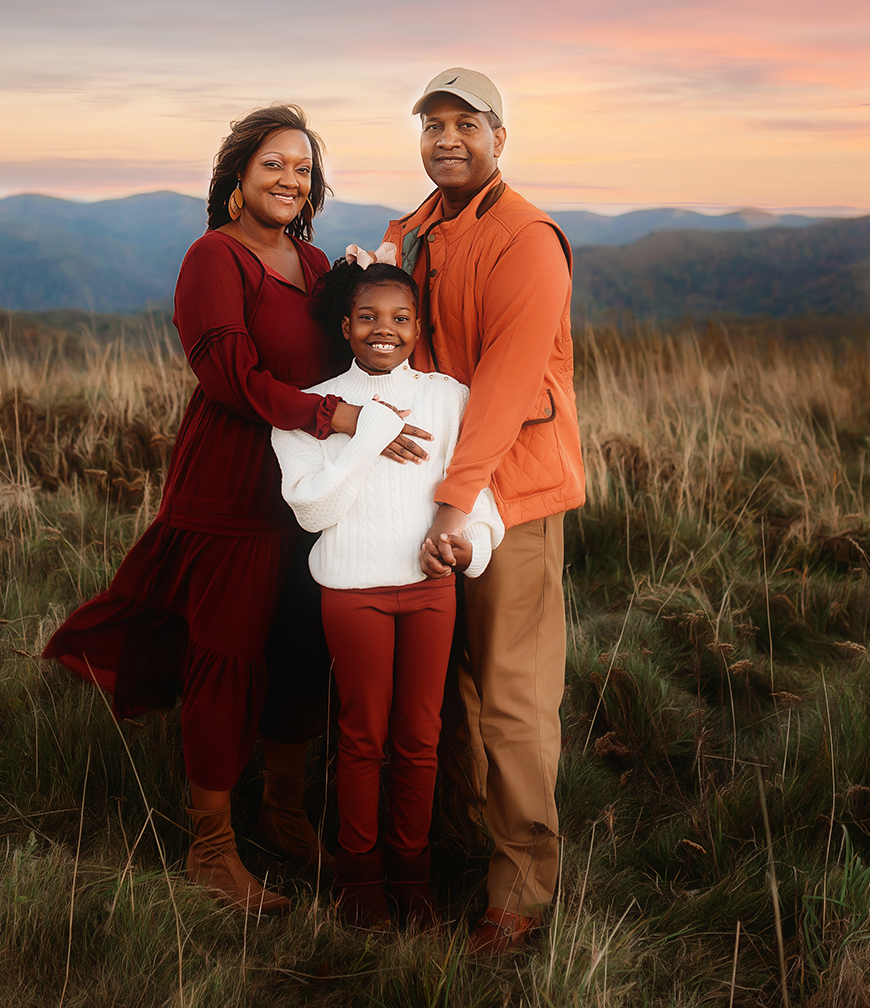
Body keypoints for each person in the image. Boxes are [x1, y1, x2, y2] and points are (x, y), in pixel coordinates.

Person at [42, 104, 426, 917]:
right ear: (237, 178)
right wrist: (337, 419)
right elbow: (230, 379)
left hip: (312, 498)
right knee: (227, 659)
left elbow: (361, 337)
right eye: (273, 166)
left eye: (302, 168)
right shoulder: (213, 257)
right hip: (234, 489)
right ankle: (211, 849)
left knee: (299, 652)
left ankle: (283, 814)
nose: (290, 180)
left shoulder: (315, 261)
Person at [379, 68, 584, 954]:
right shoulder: (410, 230)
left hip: (510, 491)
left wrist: (459, 500)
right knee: (445, 683)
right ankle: (465, 837)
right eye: (433, 124)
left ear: (499, 136)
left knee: (511, 691)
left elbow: (502, 386)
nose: (447, 139)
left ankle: (523, 887)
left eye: (465, 123)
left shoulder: (528, 238)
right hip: (429, 491)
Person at [270, 260, 504, 931]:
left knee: (421, 738)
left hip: (431, 591)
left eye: (400, 318)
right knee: (363, 736)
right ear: (345, 326)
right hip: (353, 594)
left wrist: (474, 547)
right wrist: (366, 431)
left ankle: (413, 873)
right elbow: (314, 511)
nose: (384, 330)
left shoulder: (448, 397)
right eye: (368, 317)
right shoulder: (308, 407)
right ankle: (359, 877)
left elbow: (479, 494)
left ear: (419, 327)